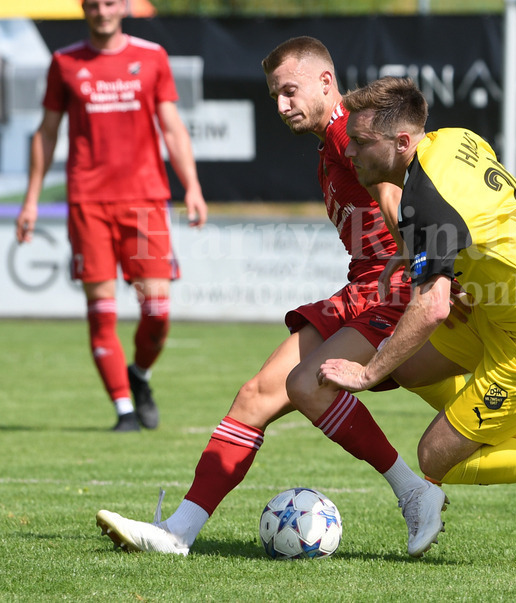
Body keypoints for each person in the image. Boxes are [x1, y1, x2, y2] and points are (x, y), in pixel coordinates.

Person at [95, 37, 466, 558]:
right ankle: (178, 533)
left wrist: (415, 271)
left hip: (387, 290)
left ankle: (414, 491)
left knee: (307, 386)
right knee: (255, 397)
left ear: (325, 82)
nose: (281, 105)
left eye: (289, 91)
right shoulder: (334, 140)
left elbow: (397, 200)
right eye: (275, 95)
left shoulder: (348, 136)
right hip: (363, 287)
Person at [317, 76, 516, 527]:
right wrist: (415, 255)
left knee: (436, 458)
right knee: (407, 367)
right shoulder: (453, 139)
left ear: (402, 142)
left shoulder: (425, 201)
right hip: (500, 311)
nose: (348, 152)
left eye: (361, 142)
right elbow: (483, 212)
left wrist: (367, 373)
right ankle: (486, 421)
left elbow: (432, 306)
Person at [15, 0, 208, 432]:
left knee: (157, 312)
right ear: (84, 9)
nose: (101, 12)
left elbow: (172, 127)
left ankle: (138, 376)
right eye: (93, 5)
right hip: (88, 202)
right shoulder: (64, 63)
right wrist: (31, 201)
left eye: (108, 4)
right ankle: (123, 409)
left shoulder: (151, 58)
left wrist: (193, 186)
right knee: (100, 310)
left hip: (144, 201)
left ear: (123, 6)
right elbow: (46, 133)